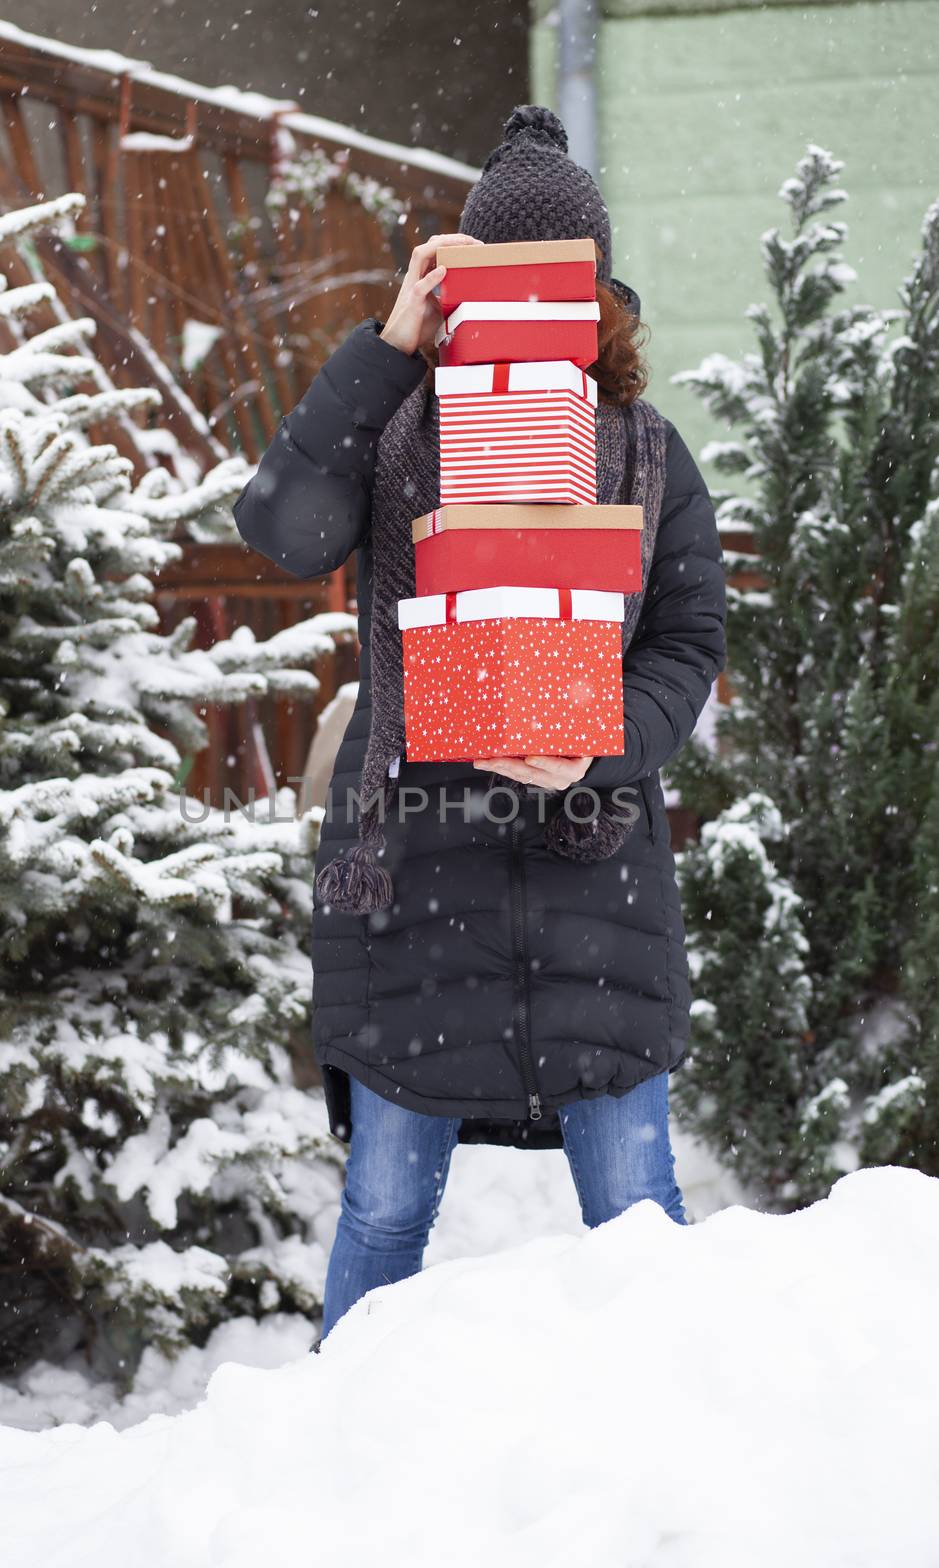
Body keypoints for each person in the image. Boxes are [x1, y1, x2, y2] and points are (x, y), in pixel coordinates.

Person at [233, 105, 727, 1347]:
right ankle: (339, 1449)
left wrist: (600, 737)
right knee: (386, 1212)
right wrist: (385, 351)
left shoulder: (649, 454)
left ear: (597, 299)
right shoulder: (396, 431)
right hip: (411, 875)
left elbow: (687, 645)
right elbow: (281, 532)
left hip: (593, 874)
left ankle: (672, 1452)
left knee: (636, 1218)